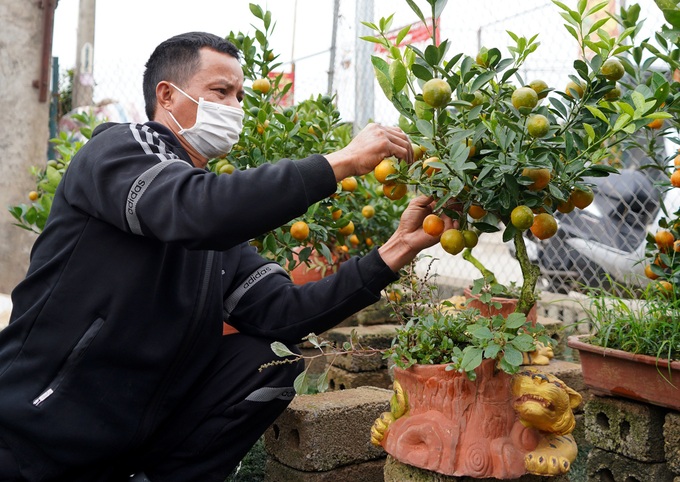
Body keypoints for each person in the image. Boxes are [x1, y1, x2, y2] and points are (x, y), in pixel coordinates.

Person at [0, 32, 453, 481]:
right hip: (32, 441)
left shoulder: (214, 226)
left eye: (239, 95)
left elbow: (284, 314)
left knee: (269, 359)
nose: (235, 108)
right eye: (221, 92)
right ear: (168, 95)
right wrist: (339, 163)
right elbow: (194, 209)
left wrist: (396, 250)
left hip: (126, 445)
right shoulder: (118, 152)